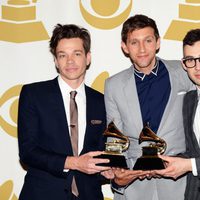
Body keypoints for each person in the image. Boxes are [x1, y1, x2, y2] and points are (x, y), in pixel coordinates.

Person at [104, 14, 193, 200]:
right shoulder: (113, 85)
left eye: (148, 40)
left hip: (179, 182)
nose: (142, 49)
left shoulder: (184, 71)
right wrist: (119, 174)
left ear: (158, 42)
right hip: (135, 185)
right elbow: (116, 139)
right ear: (124, 47)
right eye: (134, 42)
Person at [17, 24, 110, 200]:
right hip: (42, 195)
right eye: (62, 55)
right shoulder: (33, 94)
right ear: (55, 61)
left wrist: (107, 170)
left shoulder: (101, 101)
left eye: (76, 53)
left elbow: (99, 152)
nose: (70, 61)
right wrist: (75, 163)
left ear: (88, 57)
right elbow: (28, 152)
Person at [153, 28, 200, 200]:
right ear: (183, 64)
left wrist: (189, 165)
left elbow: (193, 162)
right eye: (190, 60)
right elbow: (194, 151)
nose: (197, 67)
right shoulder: (189, 100)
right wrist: (169, 161)